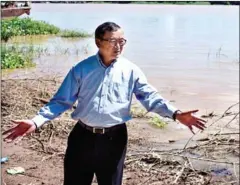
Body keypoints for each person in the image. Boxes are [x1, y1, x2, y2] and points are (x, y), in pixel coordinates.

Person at [3, 22, 206, 185]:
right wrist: (36, 121)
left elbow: (150, 97)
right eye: (112, 41)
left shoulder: (131, 70)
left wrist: (176, 114)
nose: (118, 46)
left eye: (122, 41)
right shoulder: (81, 69)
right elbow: (61, 101)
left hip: (114, 139)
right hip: (82, 138)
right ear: (99, 42)